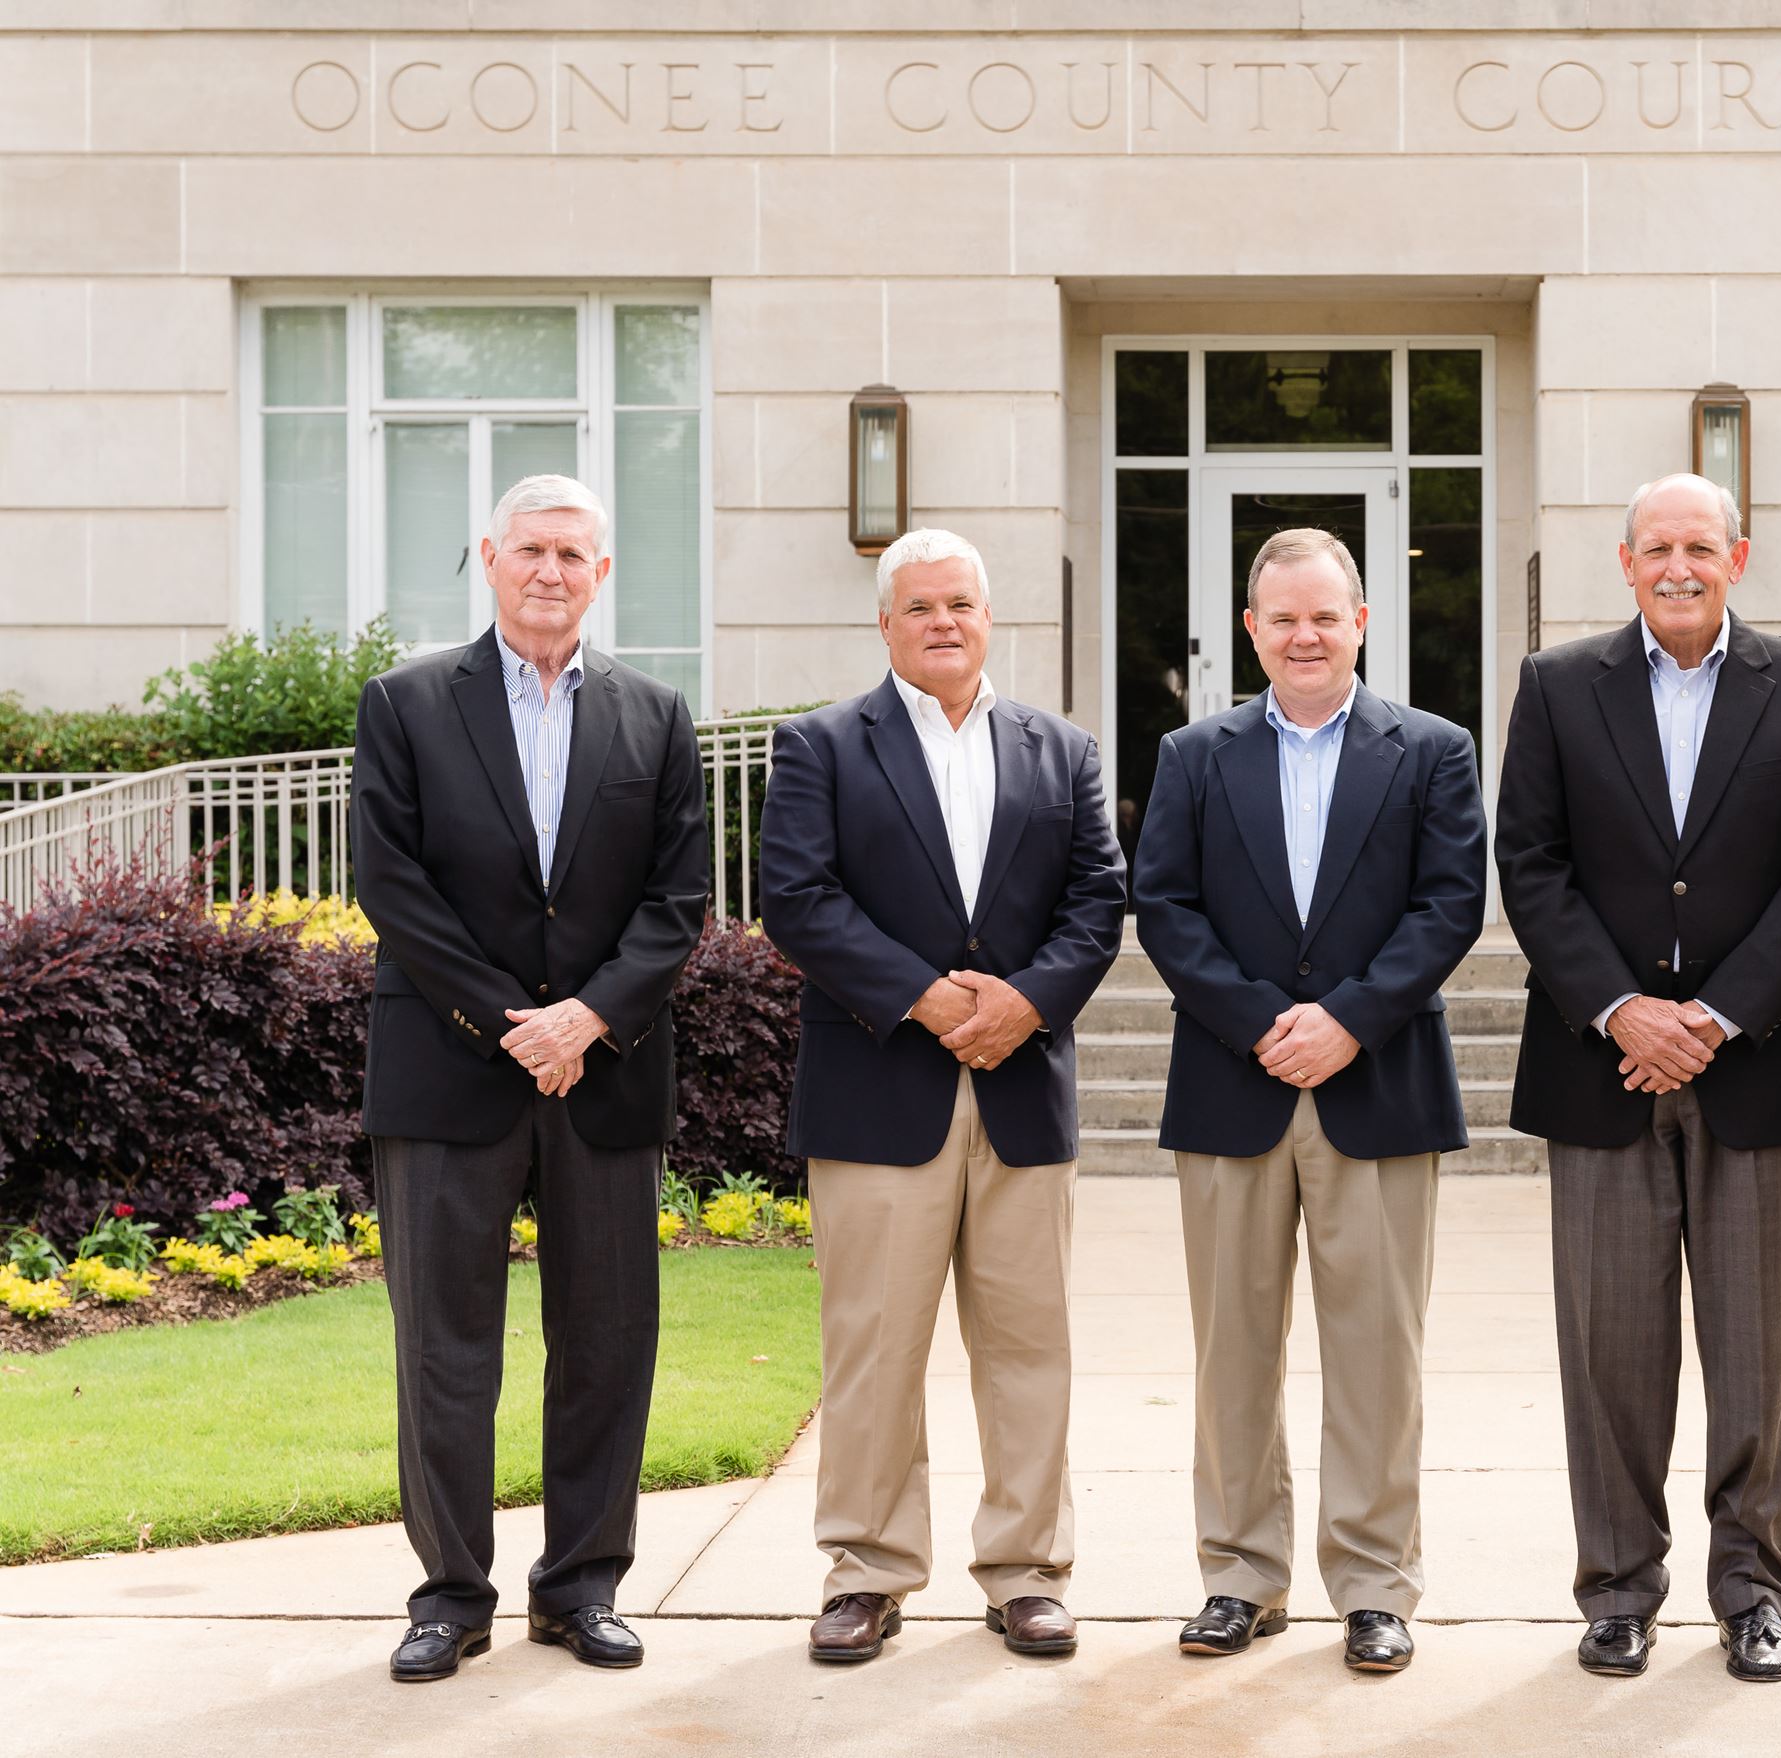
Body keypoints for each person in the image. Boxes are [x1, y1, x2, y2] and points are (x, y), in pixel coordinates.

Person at [1494, 473, 1781, 1684]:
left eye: (1697, 545)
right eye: (1655, 546)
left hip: (1749, 1065)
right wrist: (1619, 1011)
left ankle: (1753, 1588)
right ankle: (1615, 1590)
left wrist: (1707, 1016)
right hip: (1598, 1067)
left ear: (1737, 557)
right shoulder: (1556, 688)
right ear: (1623, 562)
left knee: (1751, 1348)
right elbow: (1531, 865)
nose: (1676, 565)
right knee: (1608, 1349)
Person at [353, 473, 710, 1683]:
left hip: (602, 1078)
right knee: (444, 1350)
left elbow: (676, 903)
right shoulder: (405, 704)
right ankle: (450, 1596)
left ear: (601, 574)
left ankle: (581, 1588)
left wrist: (588, 1020)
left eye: (573, 553)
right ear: (489, 560)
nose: (551, 571)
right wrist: (515, 1023)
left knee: (607, 1344)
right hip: (450, 1072)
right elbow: (391, 888)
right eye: (530, 551)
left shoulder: (656, 717)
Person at [758, 528, 1126, 1666]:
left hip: (1021, 1090)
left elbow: (1098, 899)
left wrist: (1023, 1003)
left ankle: (1027, 1572)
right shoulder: (820, 745)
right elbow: (797, 899)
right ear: (885, 625)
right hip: (881, 1091)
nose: (942, 624)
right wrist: (926, 999)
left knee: (1028, 1345)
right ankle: (866, 1569)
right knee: (873, 1345)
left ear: (986, 614)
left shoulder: (1060, 750)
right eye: (918, 607)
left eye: (959, 603)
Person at [1133, 528, 1487, 1675]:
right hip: (1230, 1086)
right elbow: (1165, 907)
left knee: (1378, 1354)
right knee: (1229, 1351)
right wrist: (1257, 1023)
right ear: (1250, 629)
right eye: (1282, 618)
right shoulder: (1193, 754)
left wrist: (1345, 1019)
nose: (1304, 636)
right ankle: (1238, 1575)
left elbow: (1446, 906)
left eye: (1324, 616)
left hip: (1376, 1083)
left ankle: (1375, 1585)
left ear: (1361, 621)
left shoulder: (1431, 749)